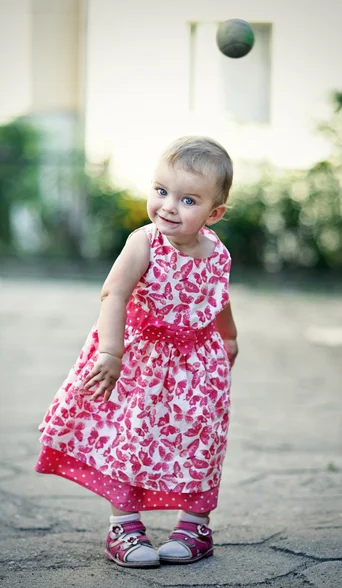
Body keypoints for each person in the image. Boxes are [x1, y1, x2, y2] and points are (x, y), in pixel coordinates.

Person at [35, 136, 238, 568]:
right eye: (161, 191)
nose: (167, 206)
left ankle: (194, 525)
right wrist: (110, 352)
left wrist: (230, 336)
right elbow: (115, 293)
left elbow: (219, 297)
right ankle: (124, 526)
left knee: (200, 440)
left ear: (213, 213)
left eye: (187, 199)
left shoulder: (217, 251)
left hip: (198, 367)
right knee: (131, 436)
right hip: (140, 360)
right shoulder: (143, 242)